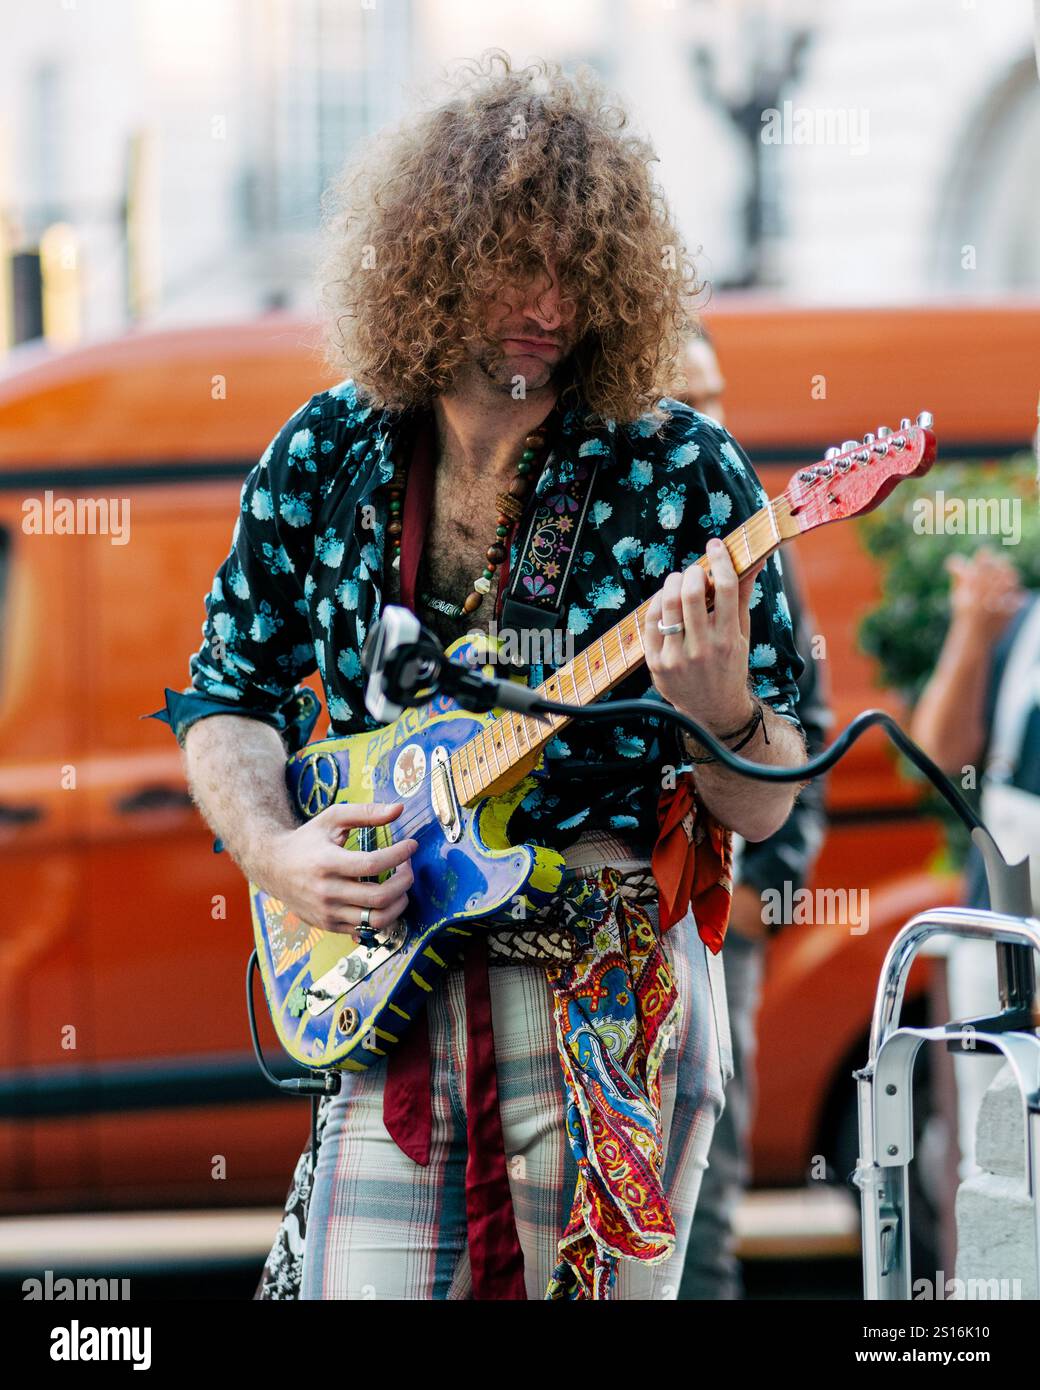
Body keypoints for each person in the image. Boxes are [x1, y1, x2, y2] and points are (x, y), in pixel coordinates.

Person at [150, 54, 807, 1301]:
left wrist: (719, 709)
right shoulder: (327, 449)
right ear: (433, 260)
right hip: (386, 985)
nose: (551, 301)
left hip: (604, 999)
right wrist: (278, 854)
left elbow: (763, 804)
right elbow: (223, 692)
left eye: (580, 265)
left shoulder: (679, 474)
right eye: (519, 258)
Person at [676, 328, 831, 1299]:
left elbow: (806, 726)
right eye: (680, 398)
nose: (707, 422)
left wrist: (763, 893)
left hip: (714, 916)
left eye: (716, 396)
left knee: (703, 1192)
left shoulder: (758, 543)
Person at [910, 546, 1037, 1179]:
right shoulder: (1021, 625)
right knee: (996, 1166)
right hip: (999, 929)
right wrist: (971, 632)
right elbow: (940, 755)